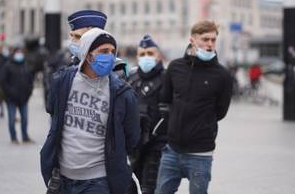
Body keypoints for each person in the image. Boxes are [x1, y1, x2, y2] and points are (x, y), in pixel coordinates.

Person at [40, 27, 140, 194]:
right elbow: (52, 111)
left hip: (98, 182)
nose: (110, 56)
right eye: (103, 51)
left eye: (112, 51)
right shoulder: (63, 80)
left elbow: (132, 137)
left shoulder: (122, 93)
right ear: (88, 54)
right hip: (62, 179)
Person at [155, 20, 233, 194]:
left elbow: (221, 111)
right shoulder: (175, 67)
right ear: (192, 40)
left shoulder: (223, 75)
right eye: (205, 39)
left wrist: (202, 126)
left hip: (201, 153)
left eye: (213, 40)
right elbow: (165, 99)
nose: (210, 44)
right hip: (172, 150)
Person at [128, 35, 168, 194]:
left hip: (157, 145)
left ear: (158, 55)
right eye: (142, 54)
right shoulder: (132, 79)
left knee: (148, 188)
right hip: (135, 146)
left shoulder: (166, 79)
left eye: (150, 53)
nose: (146, 57)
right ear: (137, 57)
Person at [43, 10, 108, 106]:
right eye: (71, 36)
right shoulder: (68, 63)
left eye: (77, 37)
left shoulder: (113, 68)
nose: (72, 41)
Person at [0, 46, 34, 144]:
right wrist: (9, 94)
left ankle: (25, 137)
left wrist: (29, 92)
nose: (20, 54)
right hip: (11, 99)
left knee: (25, 119)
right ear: (14, 53)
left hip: (24, 98)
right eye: (18, 52)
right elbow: (3, 82)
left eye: (21, 52)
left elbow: (30, 80)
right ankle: (13, 138)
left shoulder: (25, 65)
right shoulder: (8, 66)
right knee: (11, 120)